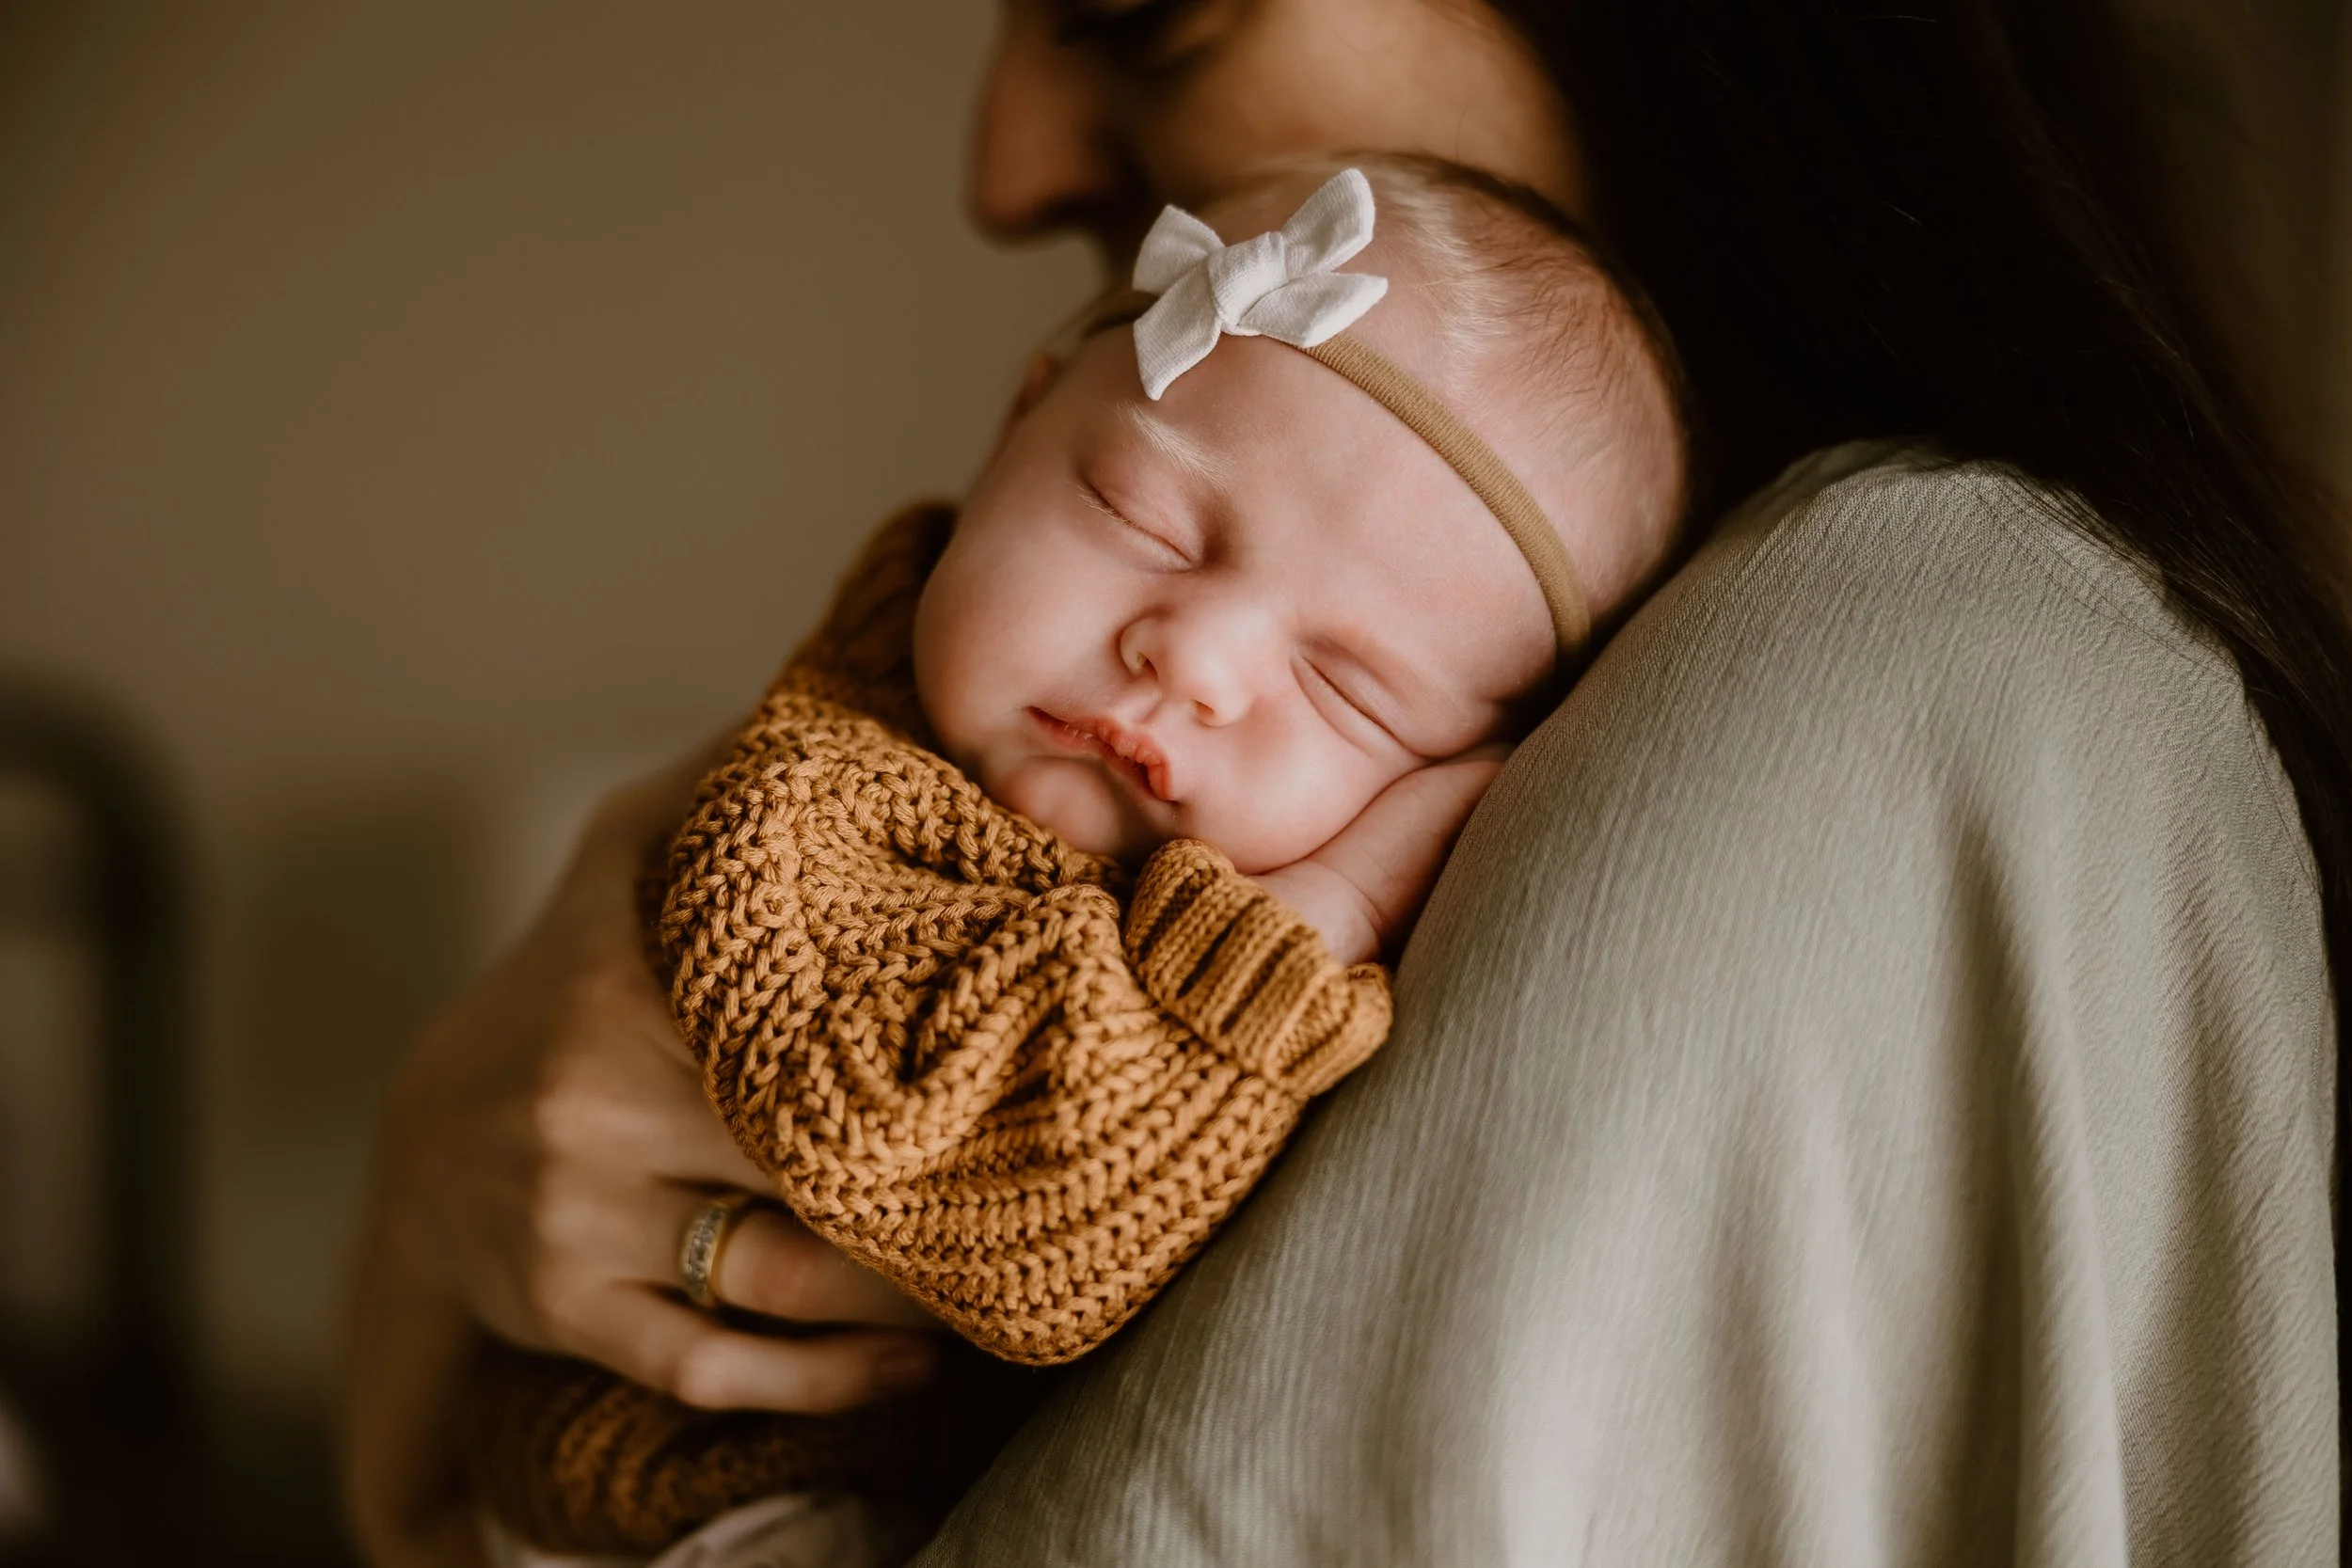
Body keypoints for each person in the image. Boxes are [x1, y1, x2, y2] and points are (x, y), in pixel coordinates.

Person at [346, 3, 2352, 1565]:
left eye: (1151, 8)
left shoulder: (1910, 659)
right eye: (1138, 510)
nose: (998, 161)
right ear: (1026, 418)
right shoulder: (871, 781)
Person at [463, 156, 1686, 1560]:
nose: (1198, 657)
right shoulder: (810, 812)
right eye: (1144, 518)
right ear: (1012, 429)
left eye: (1353, 690)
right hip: (691, 1507)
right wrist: (1318, 912)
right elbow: (1030, 1230)